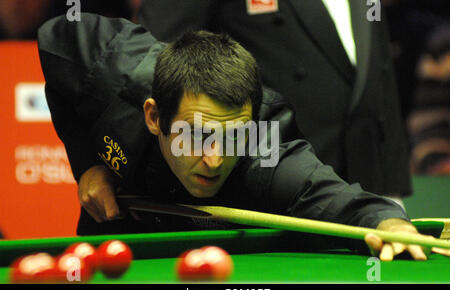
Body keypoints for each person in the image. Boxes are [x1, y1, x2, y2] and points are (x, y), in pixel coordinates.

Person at [38, 13, 428, 261]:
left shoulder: (263, 145)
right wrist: (87, 163)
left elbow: (331, 195)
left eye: (232, 139)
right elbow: (52, 37)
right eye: (196, 137)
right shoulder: (112, 70)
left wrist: (388, 222)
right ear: (154, 116)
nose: (214, 160)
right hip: (116, 240)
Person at [138, 0, 412, 204]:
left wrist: (389, 191)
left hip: (362, 176)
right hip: (271, 176)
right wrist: (118, 160)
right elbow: (159, 56)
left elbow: (378, 75)